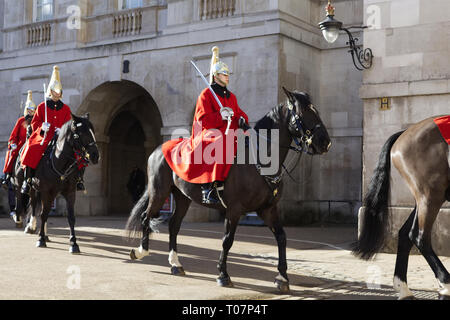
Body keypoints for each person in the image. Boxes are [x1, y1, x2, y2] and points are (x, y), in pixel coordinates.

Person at [162, 46, 249, 205]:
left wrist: (242, 120)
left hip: (228, 131)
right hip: (209, 132)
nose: (227, 77)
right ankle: (210, 187)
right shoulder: (206, 95)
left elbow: (238, 113)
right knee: (218, 142)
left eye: (228, 74)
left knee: (247, 142)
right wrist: (220, 116)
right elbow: (202, 120)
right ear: (216, 76)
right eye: (224, 74)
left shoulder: (232, 97)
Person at [20, 66, 73, 195]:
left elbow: (69, 123)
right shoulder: (42, 106)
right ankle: (27, 180)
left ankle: (76, 180)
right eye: (55, 90)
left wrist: (63, 129)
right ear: (50, 91)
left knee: (76, 153)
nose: (57, 93)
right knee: (31, 148)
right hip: (44, 136)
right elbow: (35, 122)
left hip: (60, 137)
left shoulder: (65, 108)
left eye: (59, 91)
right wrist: (42, 127)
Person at [1, 90, 36, 188]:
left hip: (32, 145)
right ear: (26, 110)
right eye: (29, 110)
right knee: (12, 153)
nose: (30, 112)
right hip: (20, 145)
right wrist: (13, 143)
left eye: (32, 110)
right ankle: (7, 175)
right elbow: (13, 136)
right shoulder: (21, 120)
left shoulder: (36, 121)